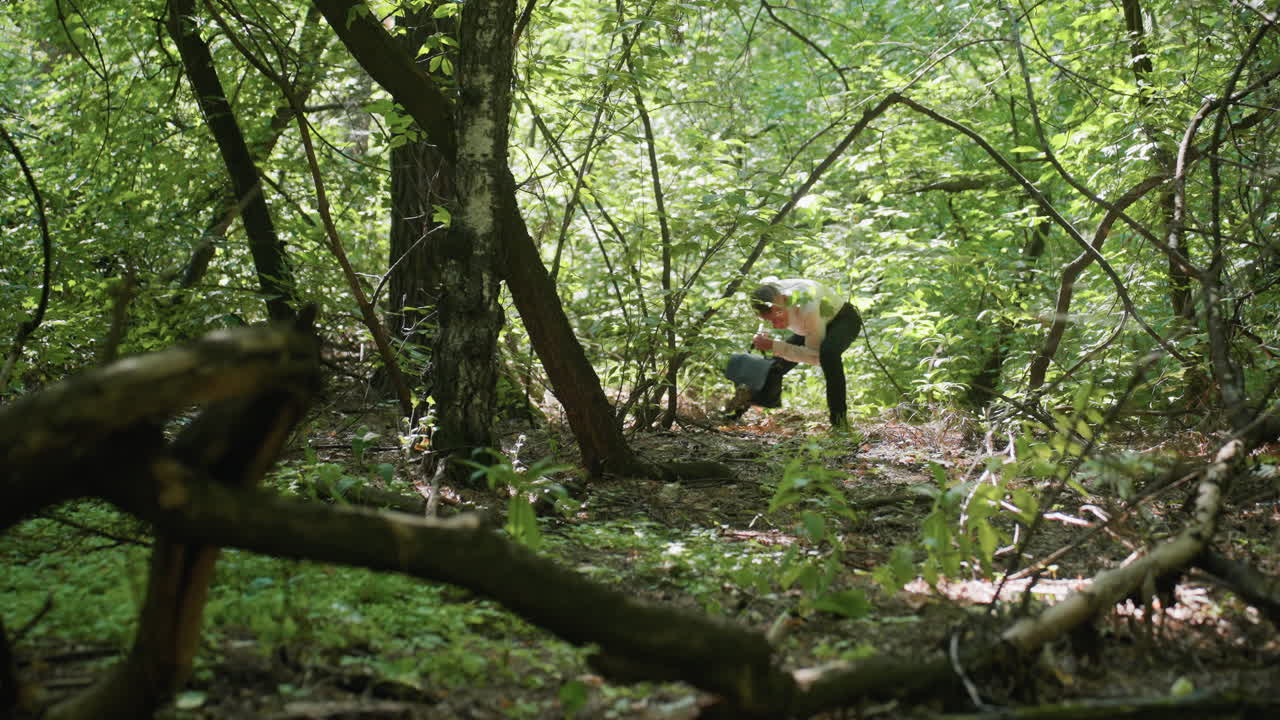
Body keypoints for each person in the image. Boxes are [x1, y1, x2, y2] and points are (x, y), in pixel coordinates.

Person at [743, 278, 862, 427]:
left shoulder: (808, 308)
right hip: (811, 326)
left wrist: (774, 346)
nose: (777, 325)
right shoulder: (770, 292)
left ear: (786, 300)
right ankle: (738, 410)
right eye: (770, 321)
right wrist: (762, 333)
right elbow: (766, 306)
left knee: (828, 355)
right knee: (775, 366)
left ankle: (839, 424)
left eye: (777, 318)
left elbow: (815, 357)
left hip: (842, 319)